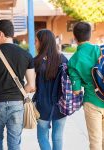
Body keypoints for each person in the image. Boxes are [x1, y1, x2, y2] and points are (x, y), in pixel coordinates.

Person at [0, 20, 35, 150]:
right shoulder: (26, 55)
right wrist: (19, 93)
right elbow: (31, 85)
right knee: (14, 142)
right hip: (17, 104)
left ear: (0, 33)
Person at [68, 22, 104, 150]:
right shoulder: (100, 50)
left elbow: (76, 91)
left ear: (75, 37)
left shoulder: (73, 60)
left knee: (95, 139)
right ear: (90, 34)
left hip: (92, 101)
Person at [34, 29, 68, 150]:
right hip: (61, 105)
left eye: (36, 41)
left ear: (43, 42)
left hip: (42, 106)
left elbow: (33, 86)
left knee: (42, 136)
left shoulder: (37, 61)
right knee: (58, 137)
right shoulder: (63, 59)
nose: (35, 43)